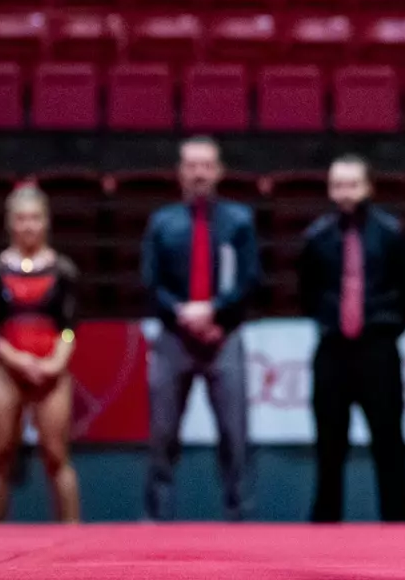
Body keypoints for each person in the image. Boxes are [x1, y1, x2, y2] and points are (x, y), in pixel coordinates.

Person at [141, 136, 262, 521]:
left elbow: (249, 279)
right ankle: (157, 516)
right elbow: (150, 281)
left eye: (206, 166)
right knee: (162, 434)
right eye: (191, 166)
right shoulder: (162, 222)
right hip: (175, 338)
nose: (198, 173)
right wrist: (182, 313)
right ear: (180, 172)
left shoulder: (239, 221)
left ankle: (238, 511)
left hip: (223, 338)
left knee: (235, 434)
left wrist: (215, 313)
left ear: (219, 171)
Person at [298, 154, 405, 523]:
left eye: (352, 185)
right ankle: (325, 527)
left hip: (377, 349)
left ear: (368, 187)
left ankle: (399, 525)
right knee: (329, 446)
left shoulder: (392, 233)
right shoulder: (315, 237)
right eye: (338, 185)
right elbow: (307, 294)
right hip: (333, 350)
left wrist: (385, 329)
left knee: (389, 443)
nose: (345, 193)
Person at [0, 182, 81, 522]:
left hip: (51, 369)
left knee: (56, 454)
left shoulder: (63, 270)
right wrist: (16, 359)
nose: (28, 226)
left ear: (46, 221)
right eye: (21, 219)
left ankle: (71, 533)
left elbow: (69, 325)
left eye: (35, 218)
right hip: (7, 368)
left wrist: (56, 362)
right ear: (10, 222)